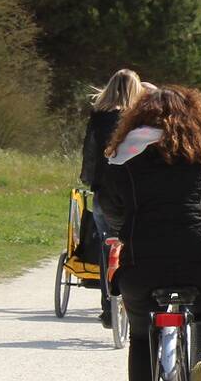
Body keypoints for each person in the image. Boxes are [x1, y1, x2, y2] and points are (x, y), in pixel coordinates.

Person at [94, 86, 201, 381]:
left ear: (137, 119)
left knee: (142, 337)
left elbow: (108, 205)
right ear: (195, 119)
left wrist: (124, 227)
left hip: (142, 265)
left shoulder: (122, 158)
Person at [80, 69, 144, 327]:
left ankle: (109, 307)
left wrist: (92, 180)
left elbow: (90, 154)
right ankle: (135, 302)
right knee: (136, 245)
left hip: (104, 193)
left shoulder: (98, 116)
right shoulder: (138, 118)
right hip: (133, 192)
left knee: (108, 248)